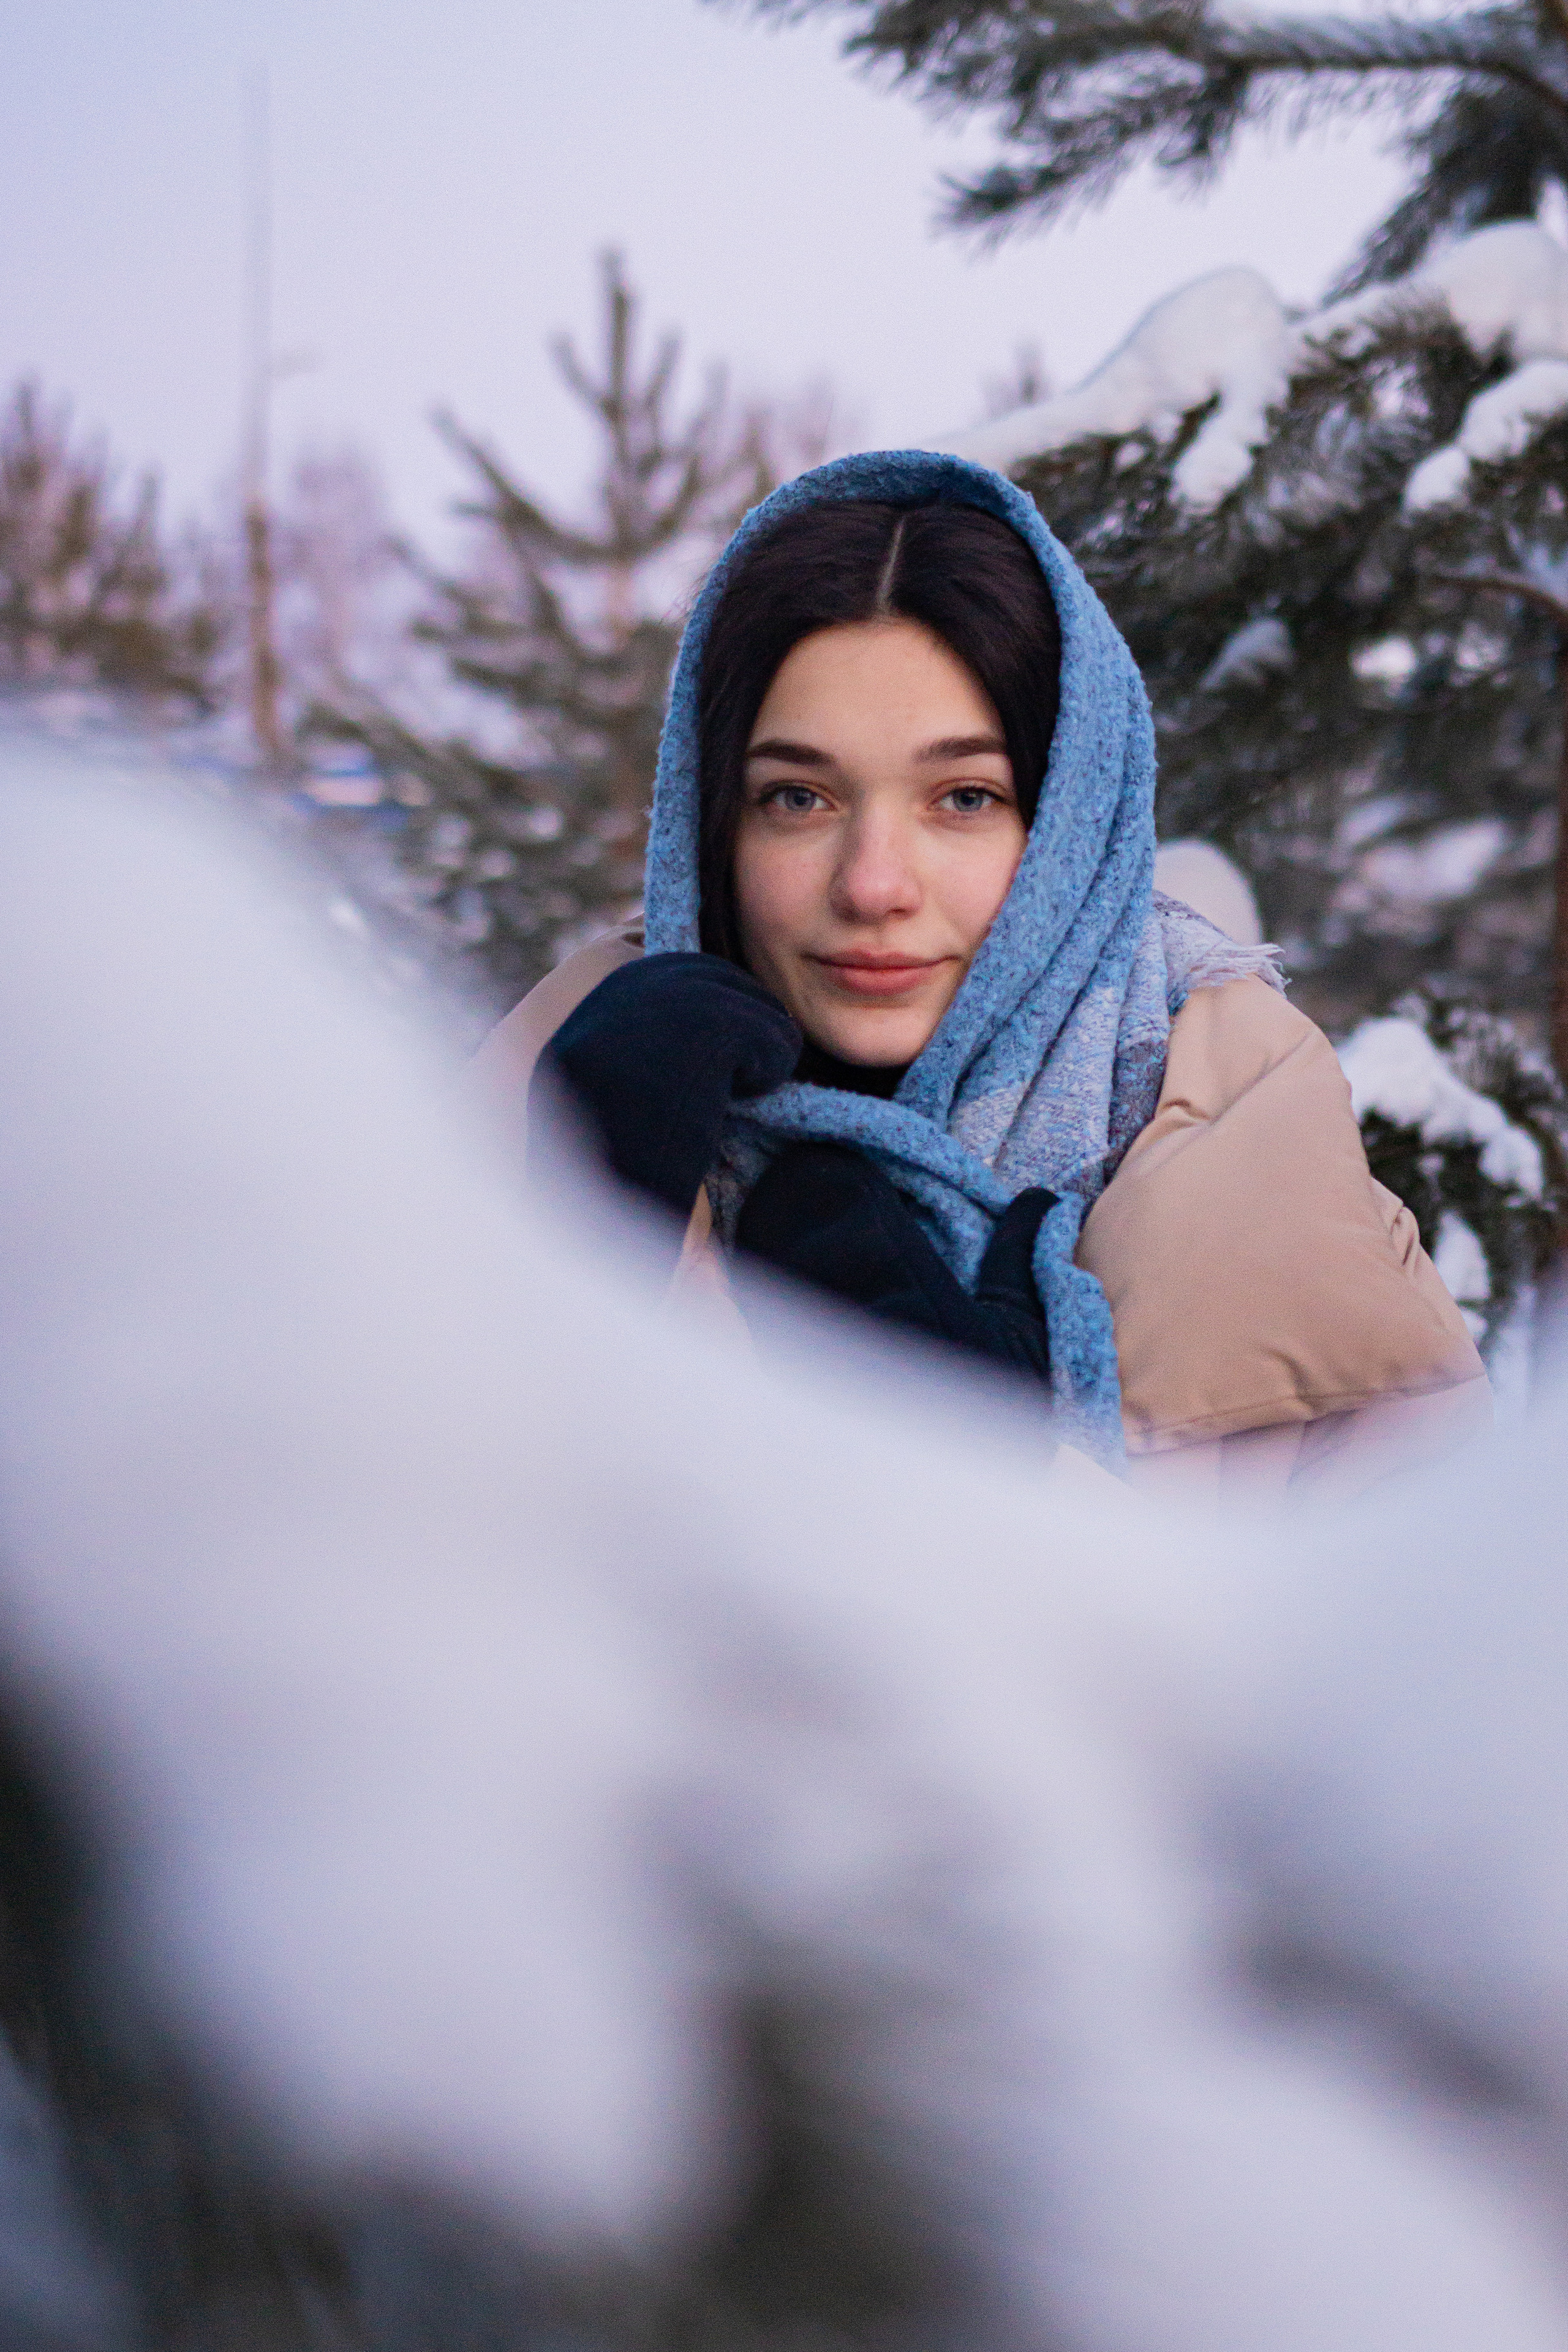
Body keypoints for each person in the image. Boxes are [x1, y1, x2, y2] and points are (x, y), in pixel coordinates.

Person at [472, 451, 1487, 1493]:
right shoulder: (513, 1123)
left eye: (963, 798)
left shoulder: (1289, 1220)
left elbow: (1435, 1647)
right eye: (797, 798)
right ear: (712, 823)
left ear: (1069, 826)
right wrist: (581, 1226)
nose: (873, 885)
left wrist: (1008, 1484)